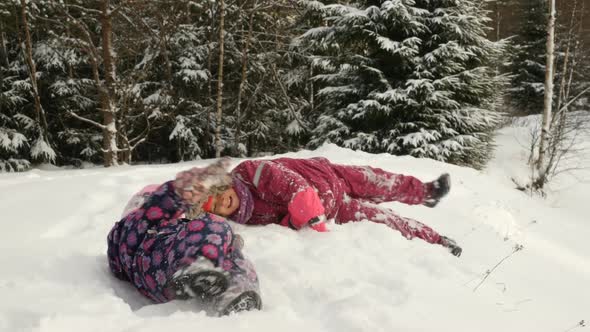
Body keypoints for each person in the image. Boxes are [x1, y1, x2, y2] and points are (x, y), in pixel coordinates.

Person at [204, 157, 462, 257]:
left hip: (331, 175)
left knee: (383, 181)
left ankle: (427, 192)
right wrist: (293, 222)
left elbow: (295, 186)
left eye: (217, 194)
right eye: (216, 207)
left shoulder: (251, 171)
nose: (221, 202)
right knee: (386, 221)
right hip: (336, 208)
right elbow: (285, 220)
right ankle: (437, 241)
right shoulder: (247, 215)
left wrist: (314, 223)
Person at [106, 160, 262, 316]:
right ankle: (215, 273)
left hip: (162, 280)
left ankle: (232, 292)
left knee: (230, 250)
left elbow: (117, 265)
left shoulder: (125, 243)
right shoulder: (139, 224)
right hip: (174, 266)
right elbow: (165, 202)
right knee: (217, 229)